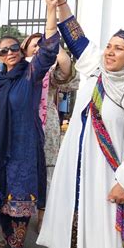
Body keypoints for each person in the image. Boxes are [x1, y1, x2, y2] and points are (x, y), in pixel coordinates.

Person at [37, 0, 124, 248]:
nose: (109, 52)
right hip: (78, 172)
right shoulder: (96, 68)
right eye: (109, 46)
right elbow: (75, 37)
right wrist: (62, 3)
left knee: (104, 242)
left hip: (109, 179)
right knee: (74, 233)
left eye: (119, 48)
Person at [0, 0, 60, 248]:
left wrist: (51, 10)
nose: (9, 53)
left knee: (20, 198)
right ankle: (8, 237)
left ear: (22, 50)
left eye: (14, 47)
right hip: (1, 147)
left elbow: (50, 50)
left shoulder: (31, 73)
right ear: (0, 56)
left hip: (24, 148)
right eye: (3, 50)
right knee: (2, 192)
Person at [21, 32, 79, 232]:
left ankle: (43, 216)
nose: (38, 48)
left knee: (46, 169)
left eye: (43, 45)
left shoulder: (49, 72)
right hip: (21, 125)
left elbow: (67, 72)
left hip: (47, 125)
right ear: (25, 49)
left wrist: (54, 46)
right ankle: (19, 216)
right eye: (34, 45)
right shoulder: (17, 68)